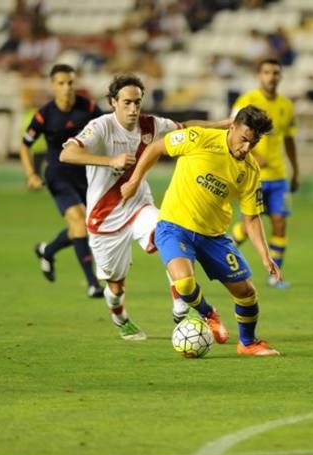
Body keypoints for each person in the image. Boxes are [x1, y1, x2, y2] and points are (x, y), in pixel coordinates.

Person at [59, 74, 227, 340]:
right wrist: (109, 160)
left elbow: (187, 128)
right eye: (127, 102)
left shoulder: (151, 125)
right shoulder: (100, 127)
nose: (133, 109)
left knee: (170, 238)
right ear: (113, 102)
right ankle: (120, 317)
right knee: (115, 284)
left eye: (137, 102)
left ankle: (181, 307)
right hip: (105, 218)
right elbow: (66, 153)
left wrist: (224, 124)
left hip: (139, 206)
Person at [121, 105, 282, 356]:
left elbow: (251, 217)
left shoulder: (250, 170)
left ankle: (248, 343)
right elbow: (156, 147)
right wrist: (133, 181)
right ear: (232, 128)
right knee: (184, 283)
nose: (246, 148)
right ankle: (209, 314)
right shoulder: (199, 138)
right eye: (244, 140)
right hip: (174, 226)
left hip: (214, 237)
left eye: (253, 143)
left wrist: (265, 255)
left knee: (247, 293)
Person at [20, 64, 104, 298]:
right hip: (58, 175)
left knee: (85, 227)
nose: (66, 88)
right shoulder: (44, 114)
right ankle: (92, 284)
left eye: (70, 83)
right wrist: (31, 175)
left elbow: (108, 130)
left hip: (87, 174)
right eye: (61, 83)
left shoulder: (88, 108)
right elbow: (25, 145)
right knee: (79, 223)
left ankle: (48, 250)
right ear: (53, 86)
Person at [230, 59, 299, 288]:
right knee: (248, 225)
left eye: (276, 72)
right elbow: (231, 131)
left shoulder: (286, 105)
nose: (271, 76)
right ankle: (223, 256)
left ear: (280, 76)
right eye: (267, 72)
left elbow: (289, 139)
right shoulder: (246, 101)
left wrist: (295, 170)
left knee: (280, 222)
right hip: (254, 174)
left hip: (279, 176)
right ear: (259, 75)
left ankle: (274, 275)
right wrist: (249, 156)